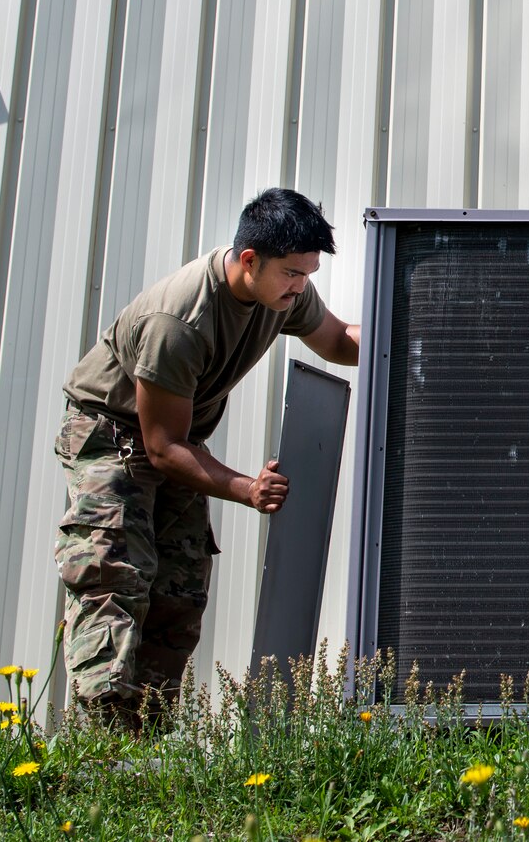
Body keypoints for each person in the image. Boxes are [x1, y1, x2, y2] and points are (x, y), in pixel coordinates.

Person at [55, 187, 361, 729]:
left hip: (175, 439)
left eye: (308, 273)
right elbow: (161, 448)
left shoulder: (282, 293)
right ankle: (98, 755)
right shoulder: (179, 320)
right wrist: (247, 488)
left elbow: (339, 342)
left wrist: (415, 335)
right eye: (293, 273)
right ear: (250, 261)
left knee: (179, 588)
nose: (302, 286)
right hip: (114, 436)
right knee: (116, 581)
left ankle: (142, 747)